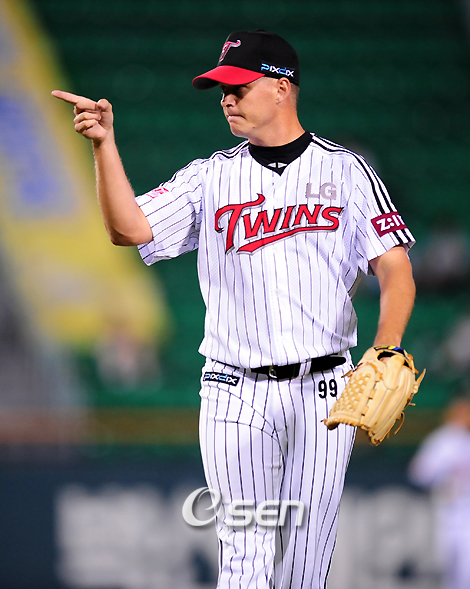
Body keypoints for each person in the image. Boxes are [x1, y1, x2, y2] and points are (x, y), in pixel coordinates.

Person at [52, 29, 416, 589]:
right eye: (221, 89)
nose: (226, 98)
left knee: (304, 566)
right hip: (234, 389)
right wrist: (104, 145)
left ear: (281, 88)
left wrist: (386, 347)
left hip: (325, 392)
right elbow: (129, 229)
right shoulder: (209, 176)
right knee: (245, 557)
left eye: (238, 87)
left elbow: (394, 267)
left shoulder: (346, 172)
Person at [409, 396, 470, 589]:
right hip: (446, 514)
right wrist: (442, 475)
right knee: (447, 570)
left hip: (466, 516)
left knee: (465, 572)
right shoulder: (442, 440)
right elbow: (418, 473)